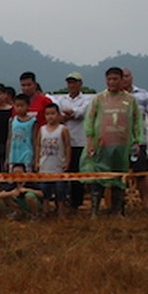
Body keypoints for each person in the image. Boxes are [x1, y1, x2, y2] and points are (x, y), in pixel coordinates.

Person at [82, 66, 143, 216]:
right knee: (98, 178)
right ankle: (94, 211)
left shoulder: (130, 100)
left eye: (115, 79)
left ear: (122, 80)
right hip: (101, 145)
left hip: (121, 146)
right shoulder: (99, 99)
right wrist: (90, 140)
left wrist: (137, 141)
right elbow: (90, 119)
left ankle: (118, 211)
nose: (112, 82)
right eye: (109, 79)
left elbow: (137, 122)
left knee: (119, 177)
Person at [122, 69, 148, 204]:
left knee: (141, 173)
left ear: (132, 77)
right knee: (118, 174)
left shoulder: (142, 94)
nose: (125, 79)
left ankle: (146, 203)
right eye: (122, 76)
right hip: (119, 141)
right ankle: (117, 205)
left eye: (127, 76)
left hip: (138, 140)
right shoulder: (114, 95)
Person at [56, 72, 90, 213]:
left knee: (77, 172)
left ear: (80, 84)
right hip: (64, 142)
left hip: (79, 141)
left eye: (74, 82)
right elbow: (58, 116)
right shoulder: (62, 99)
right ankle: (63, 200)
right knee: (64, 170)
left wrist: (70, 114)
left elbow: (81, 113)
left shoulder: (86, 99)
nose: (72, 85)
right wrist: (70, 115)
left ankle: (77, 201)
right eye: (70, 82)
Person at [35, 103, 71, 214]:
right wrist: (36, 161)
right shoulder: (42, 129)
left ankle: (61, 212)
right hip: (44, 165)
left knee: (60, 190)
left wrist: (67, 161)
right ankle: (45, 211)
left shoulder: (63, 129)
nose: (50, 116)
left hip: (58, 165)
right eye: (47, 114)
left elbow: (67, 146)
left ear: (58, 114)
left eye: (53, 113)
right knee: (45, 190)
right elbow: (38, 145)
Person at [8, 94, 37, 171]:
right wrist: (7, 157)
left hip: (27, 155)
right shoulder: (12, 121)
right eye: (17, 106)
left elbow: (34, 140)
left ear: (28, 106)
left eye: (22, 106)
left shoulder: (32, 121)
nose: (19, 108)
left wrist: (35, 158)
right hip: (14, 155)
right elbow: (9, 139)